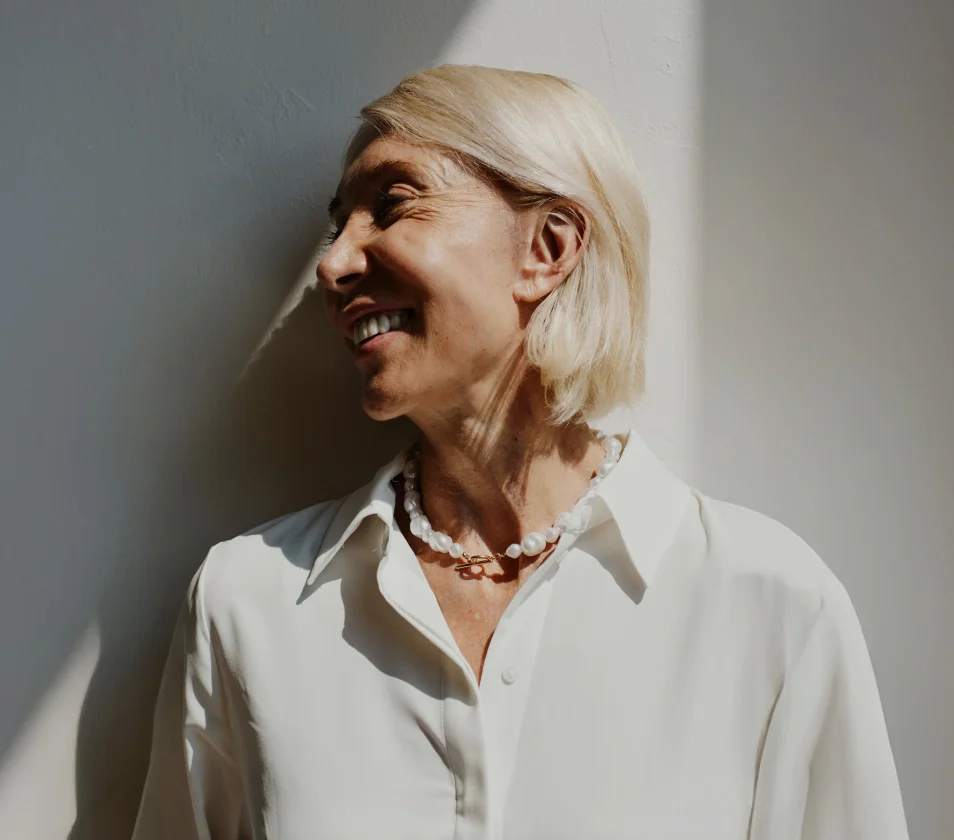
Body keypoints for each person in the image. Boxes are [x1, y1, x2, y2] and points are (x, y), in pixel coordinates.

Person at [131, 65, 909, 840]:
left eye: (393, 204)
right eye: (338, 228)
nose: (332, 265)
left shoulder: (769, 605)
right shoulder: (248, 602)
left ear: (548, 246)